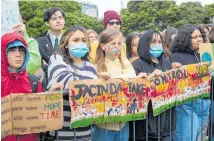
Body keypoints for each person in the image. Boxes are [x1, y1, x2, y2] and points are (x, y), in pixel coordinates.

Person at [47, 25, 97, 141]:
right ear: (66, 44)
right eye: (75, 40)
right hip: (61, 132)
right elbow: (67, 81)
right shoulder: (56, 59)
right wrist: (91, 86)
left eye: (84, 40)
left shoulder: (91, 67)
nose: (80, 43)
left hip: (86, 131)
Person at [130, 30, 176, 141]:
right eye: (153, 42)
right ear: (146, 44)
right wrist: (150, 79)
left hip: (166, 122)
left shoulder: (166, 63)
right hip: (146, 125)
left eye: (159, 42)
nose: (157, 45)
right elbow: (134, 94)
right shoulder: (137, 65)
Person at [92, 29, 136, 141]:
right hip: (103, 123)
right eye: (113, 43)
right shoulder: (96, 66)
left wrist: (114, 79)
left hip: (123, 121)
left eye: (119, 43)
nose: (117, 46)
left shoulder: (124, 62)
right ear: (102, 46)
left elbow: (132, 77)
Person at [171, 25, 211, 141]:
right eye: (195, 37)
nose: (199, 39)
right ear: (186, 39)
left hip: (204, 103)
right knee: (188, 137)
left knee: (200, 138)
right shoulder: (177, 56)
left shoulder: (204, 55)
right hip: (188, 104)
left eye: (200, 36)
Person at [1, 32, 44, 141]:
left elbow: (41, 113)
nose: (18, 54)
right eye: (12, 50)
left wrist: (51, 95)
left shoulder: (33, 81)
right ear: (3, 53)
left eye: (22, 50)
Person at [36, 7, 66, 73]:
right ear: (47, 23)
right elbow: (38, 66)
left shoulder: (70, 41)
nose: (58, 21)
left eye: (60, 18)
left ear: (64, 21)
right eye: (54, 19)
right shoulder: (38, 42)